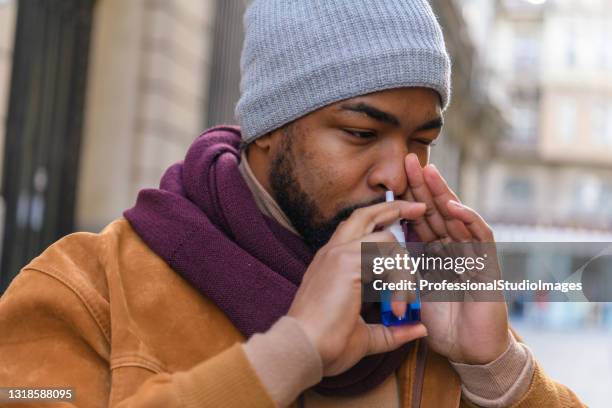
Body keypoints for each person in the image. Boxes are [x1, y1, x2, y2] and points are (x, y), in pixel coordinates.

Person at [0, 0, 584, 407]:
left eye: (421, 142)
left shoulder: (423, 299)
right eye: (360, 132)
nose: (396, 173)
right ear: (270, 128)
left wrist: (499, 371)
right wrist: (290, 354)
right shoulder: (88, 289)